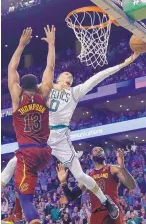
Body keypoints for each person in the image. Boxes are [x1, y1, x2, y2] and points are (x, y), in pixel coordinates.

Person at [1, 52, 139, 220]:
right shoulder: (45, 88)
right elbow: (26, 87)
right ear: (58, 78)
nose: (69, 76)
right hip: (41, 137)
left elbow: (97, 77)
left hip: (61, 138)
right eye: (66, 74)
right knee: (13, 162)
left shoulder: (75, 91)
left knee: (80, 175)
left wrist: (123, 64)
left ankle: (106, 202)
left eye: (71, 76)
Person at [2, 26, 56, 224]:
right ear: (38, 86)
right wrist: (51, 43)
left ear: (21, 87)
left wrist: (21, 45)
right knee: (19, 185)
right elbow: (50, 68)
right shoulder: (44, 94)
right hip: (44, 152)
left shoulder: (17, 97)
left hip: (28, 154)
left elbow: (11, 69)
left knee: (26, 197)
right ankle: (13, 218)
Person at [56, 147, 136, 224]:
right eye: (95, 150)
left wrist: (122, 167)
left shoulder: (112, 169)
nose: (98, 151)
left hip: (112, 212)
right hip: (95, 215)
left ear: (104, 155)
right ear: (91, 156)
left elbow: (132, 186)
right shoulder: (88, 176)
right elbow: (71, 196)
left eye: (100, 150)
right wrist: (63, 183)